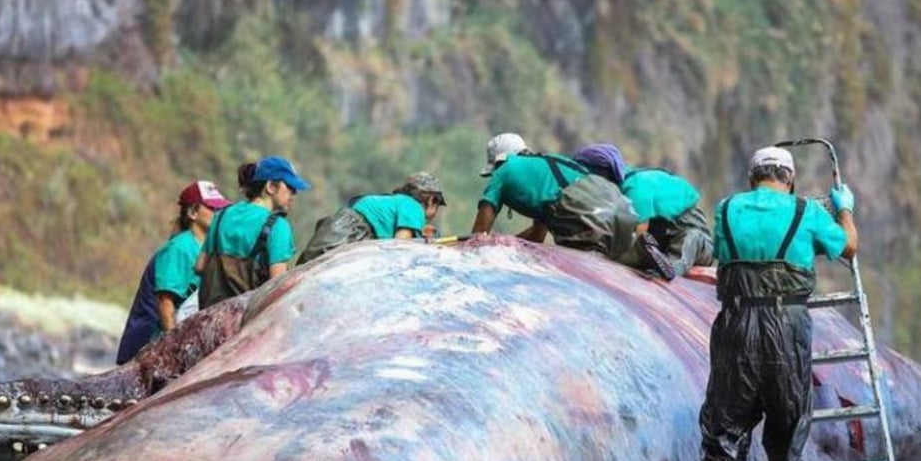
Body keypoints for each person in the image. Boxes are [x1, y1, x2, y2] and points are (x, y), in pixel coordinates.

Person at [684, 145, 858, 461]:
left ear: (752, 177)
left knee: (724, 432)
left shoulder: (725, 210)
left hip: (736, 325)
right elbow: (849, 248)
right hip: (787, 328)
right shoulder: (805, 211)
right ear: (790, 178)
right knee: (787, 436)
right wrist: (844, 209)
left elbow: (722, 255)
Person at [115, 180, 232, 365]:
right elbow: (165, 303)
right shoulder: (179, 248)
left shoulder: (206, 249)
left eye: (220, 209)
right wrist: (174, 350)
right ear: (193, 213)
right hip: (150, 346)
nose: (218, 214)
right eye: (212, 208)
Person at [471, 132, 638, 260]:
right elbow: (537, 236)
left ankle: (595, 250)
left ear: (499, 160)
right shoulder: (547, 167)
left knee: (568, 232)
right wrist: (506, 243)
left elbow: (478, 236)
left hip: (589, 214)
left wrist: (489, 246)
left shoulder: (504, 169)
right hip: (622, 208)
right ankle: (637, 252)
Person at [572, 143, 714, 278]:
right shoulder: (618, 193)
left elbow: (640, 233)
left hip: (694, 239)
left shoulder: (636, 188)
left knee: (689, 240)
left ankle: (670, 267)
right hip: (658, 241)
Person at [195, 156, 311, 309]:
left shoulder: (222, 215)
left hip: (209, 317)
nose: (294, 194)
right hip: (245, 323)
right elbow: (278, 289)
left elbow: (200, 266)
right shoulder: (278, 226)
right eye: (290, 187)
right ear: (271, 187)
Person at [297, 172, 446, 265]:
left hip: (336, 227)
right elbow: (401, 246)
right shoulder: (414, 207)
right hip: (348, 233)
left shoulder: (394, 201)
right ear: (432, 199)